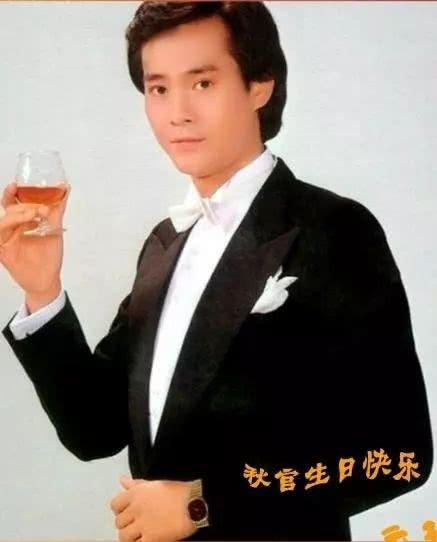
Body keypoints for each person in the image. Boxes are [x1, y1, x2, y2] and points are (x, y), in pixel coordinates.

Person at [0, 2, 433, 541]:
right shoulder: (164, 244)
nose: (177, 112)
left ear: (259, 85)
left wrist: (205, 504)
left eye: (202, 83)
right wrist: (42, 290)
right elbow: (94, 430)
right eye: (159, 89)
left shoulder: (334, 230)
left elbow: (401, 456)